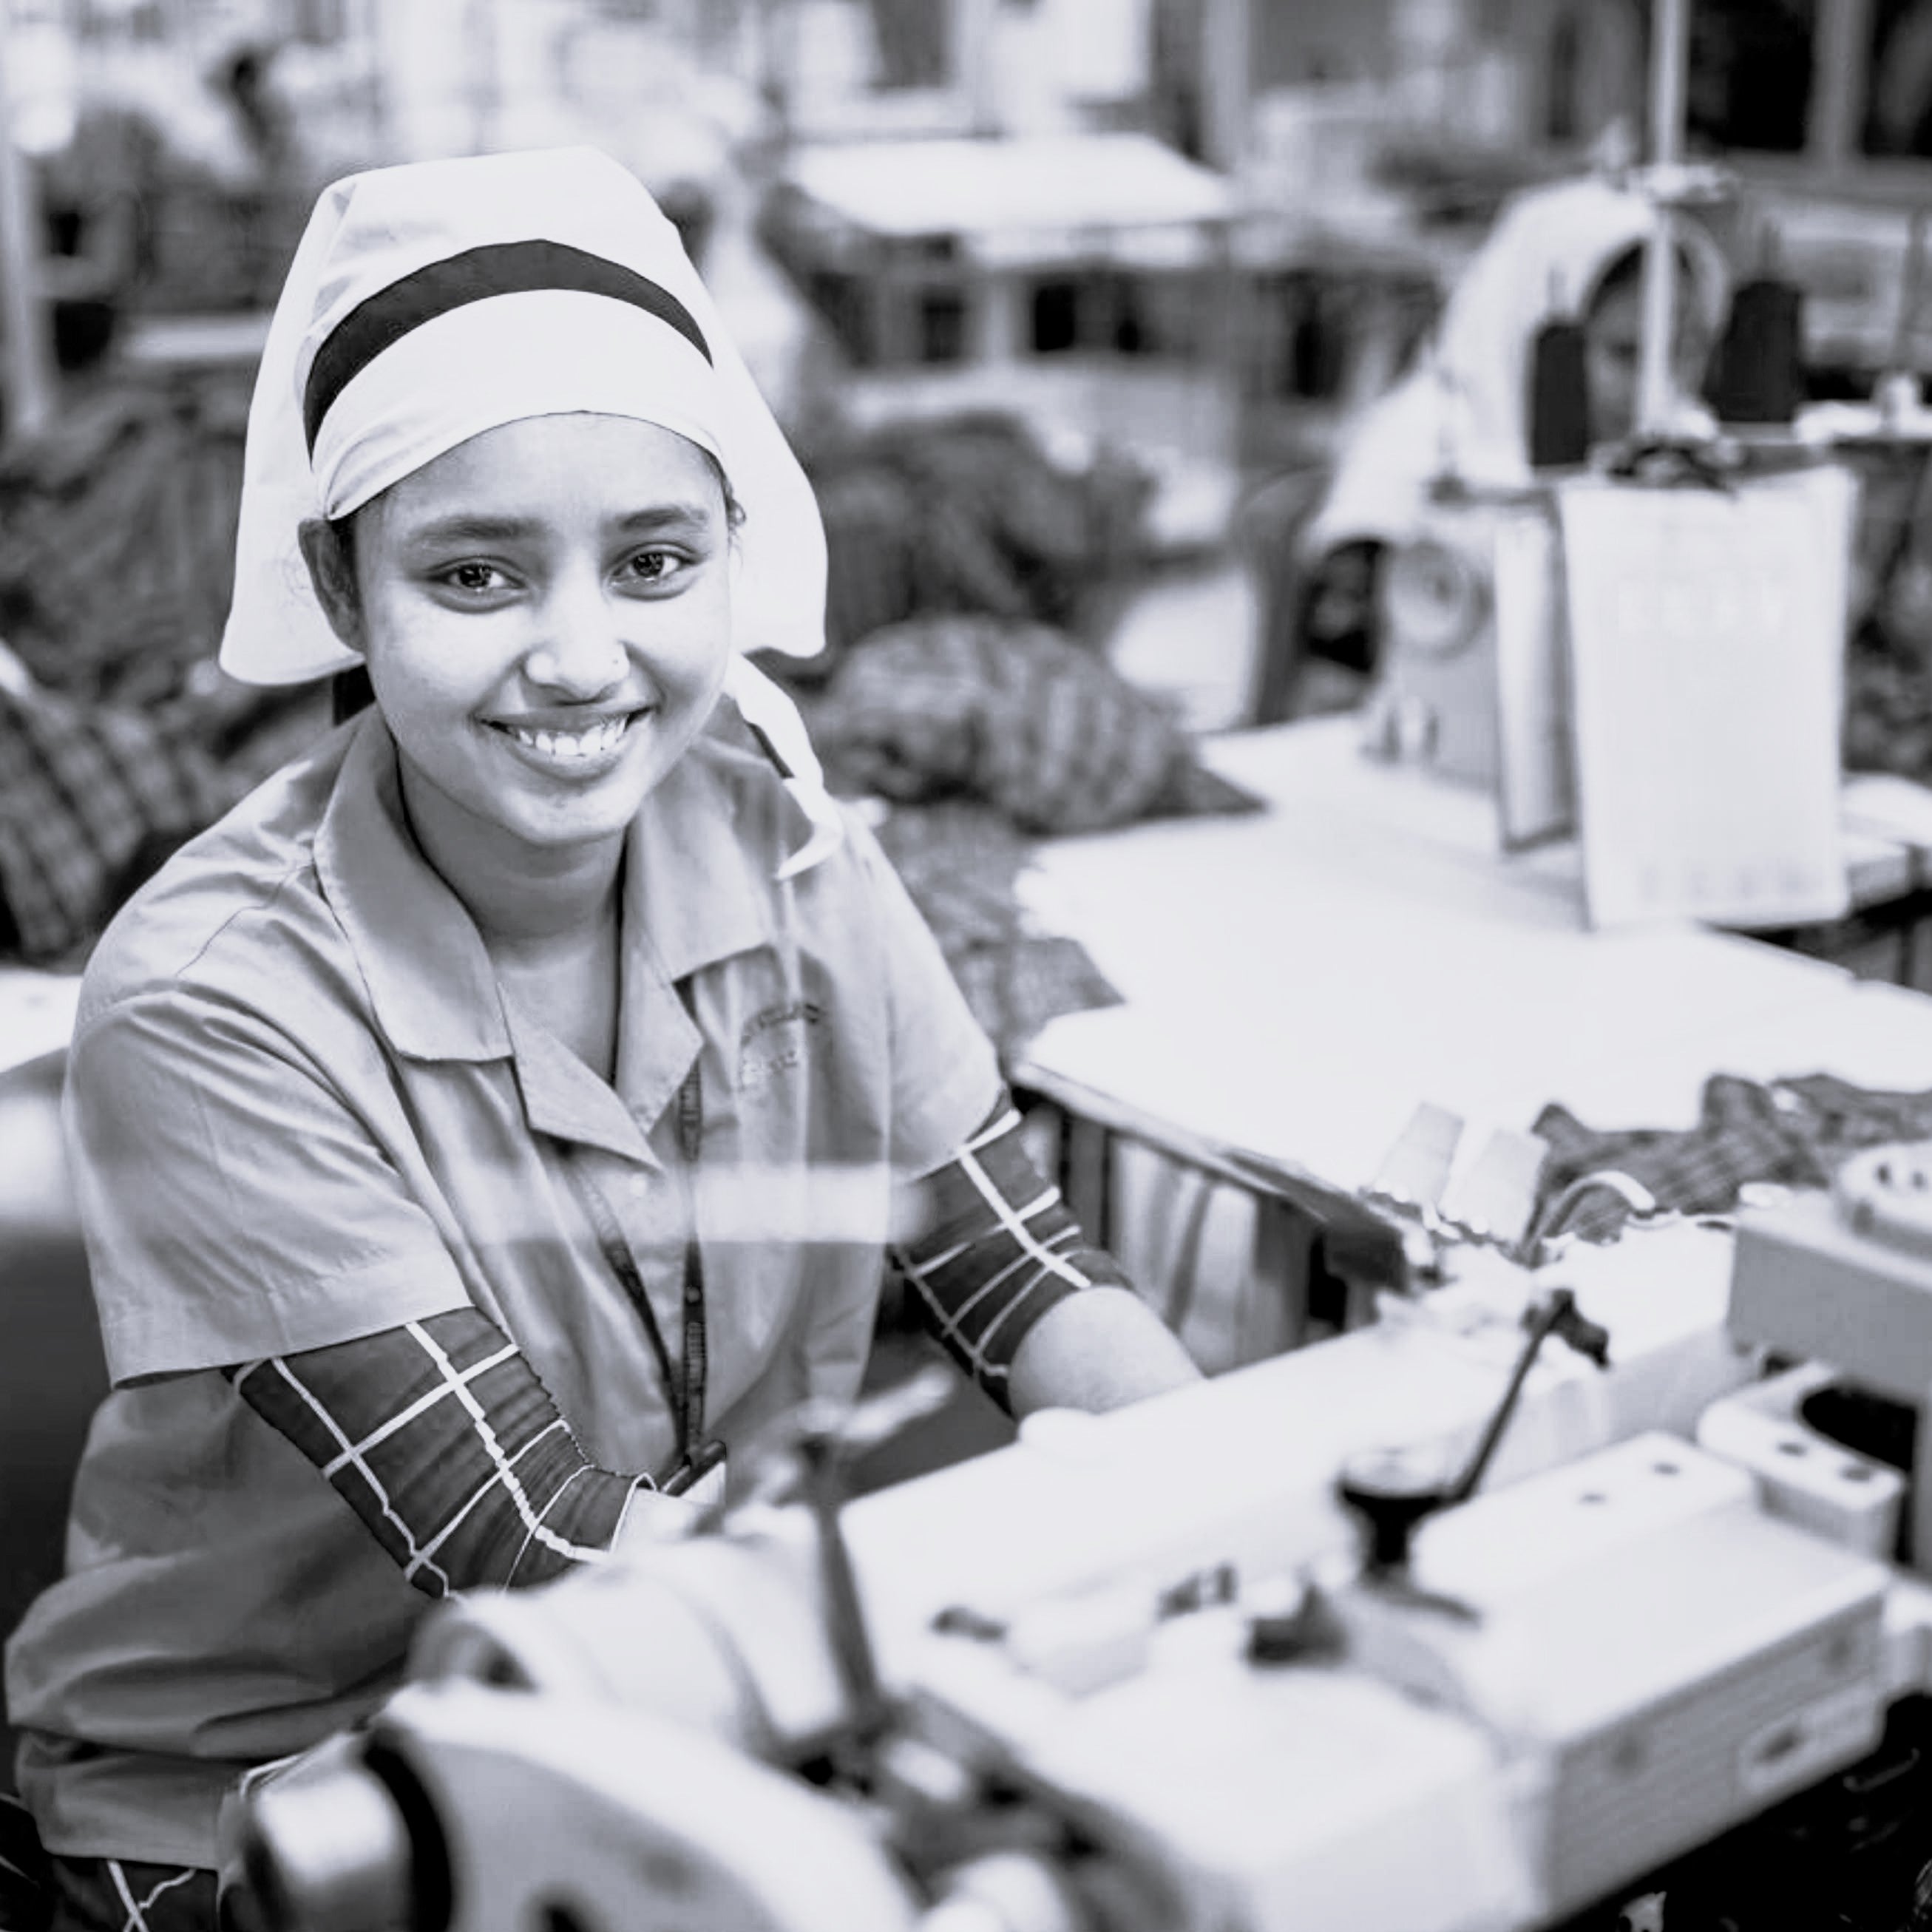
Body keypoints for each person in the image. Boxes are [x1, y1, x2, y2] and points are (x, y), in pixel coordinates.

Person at [2, 146, 1199, 1932]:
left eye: (651, 560)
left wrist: (1229, 1528)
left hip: (682, 1676)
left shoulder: (801, 861)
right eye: (477, 577)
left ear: (732, 548)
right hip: (285, 1794)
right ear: (341, 592)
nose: (582, 657)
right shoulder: (211, 1004)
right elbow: (540, 1544)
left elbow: (1024, 1285)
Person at [1279, 175, 1731, 706]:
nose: (1658, 386)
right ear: (1526, 330)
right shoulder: (1417, 455)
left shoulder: (1690, 450)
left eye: (1686, 350)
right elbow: (1328, 695)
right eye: (1625, 353)